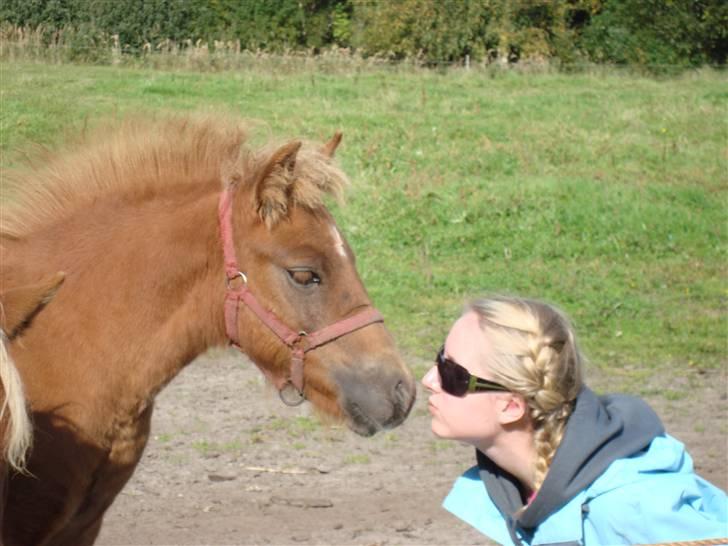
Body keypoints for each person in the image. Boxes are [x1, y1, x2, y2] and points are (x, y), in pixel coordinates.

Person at [422, 295, 727, 546]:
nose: (428, 380)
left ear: (512, 406)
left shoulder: (630, 511)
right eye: (439, 360)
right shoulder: (516, 496)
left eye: (452, 375)